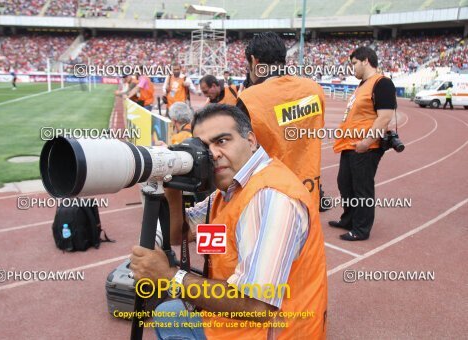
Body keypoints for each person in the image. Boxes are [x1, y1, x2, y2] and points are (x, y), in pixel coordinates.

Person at [130, 104, 328, 340]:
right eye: (204, 147)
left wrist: (170, 276)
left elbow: (258, 307)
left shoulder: (272, 196)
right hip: (230, 316)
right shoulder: (229, 191)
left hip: (268, 329)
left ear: (251, 141)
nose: (212, 154)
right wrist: (172, 181)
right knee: (165, 313)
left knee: (169, 313)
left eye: (222, 141)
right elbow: (177, 234)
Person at [237, 32, 325, 209]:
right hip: (308, 188)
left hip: (270, 194)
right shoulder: (314, 89)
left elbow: (239, 151)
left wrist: (240, 104)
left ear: (254, 61)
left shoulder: (250, 98)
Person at [330, 46, 396, 241]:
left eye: (354, 63)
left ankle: (361, 229)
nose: (353, 68)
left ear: (365, 60)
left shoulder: (382, 83)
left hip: (365, 147)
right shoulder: (362, 86)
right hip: (350, 145)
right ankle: (349, 219)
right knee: (345, 184)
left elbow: (384, 118)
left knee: (362, 188)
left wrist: (366, 143)